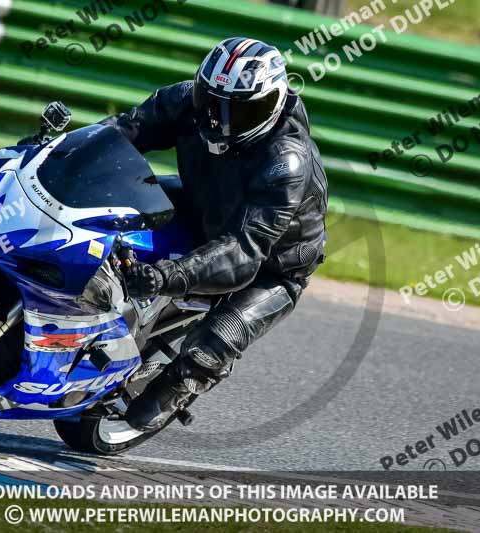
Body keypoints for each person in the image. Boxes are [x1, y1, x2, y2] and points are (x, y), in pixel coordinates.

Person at [101, 37, 328, 432]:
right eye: (212, 102)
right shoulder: (188, 102)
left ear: (272, 104)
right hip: (202, 204)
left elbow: (244, 250)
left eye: (239, 111)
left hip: (270, 265)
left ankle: (188, 380)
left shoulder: (286, 162)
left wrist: (165, 276)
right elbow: (124, 130)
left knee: (210, 346)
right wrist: (61, 152)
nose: (218, 121)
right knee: (112, 204)